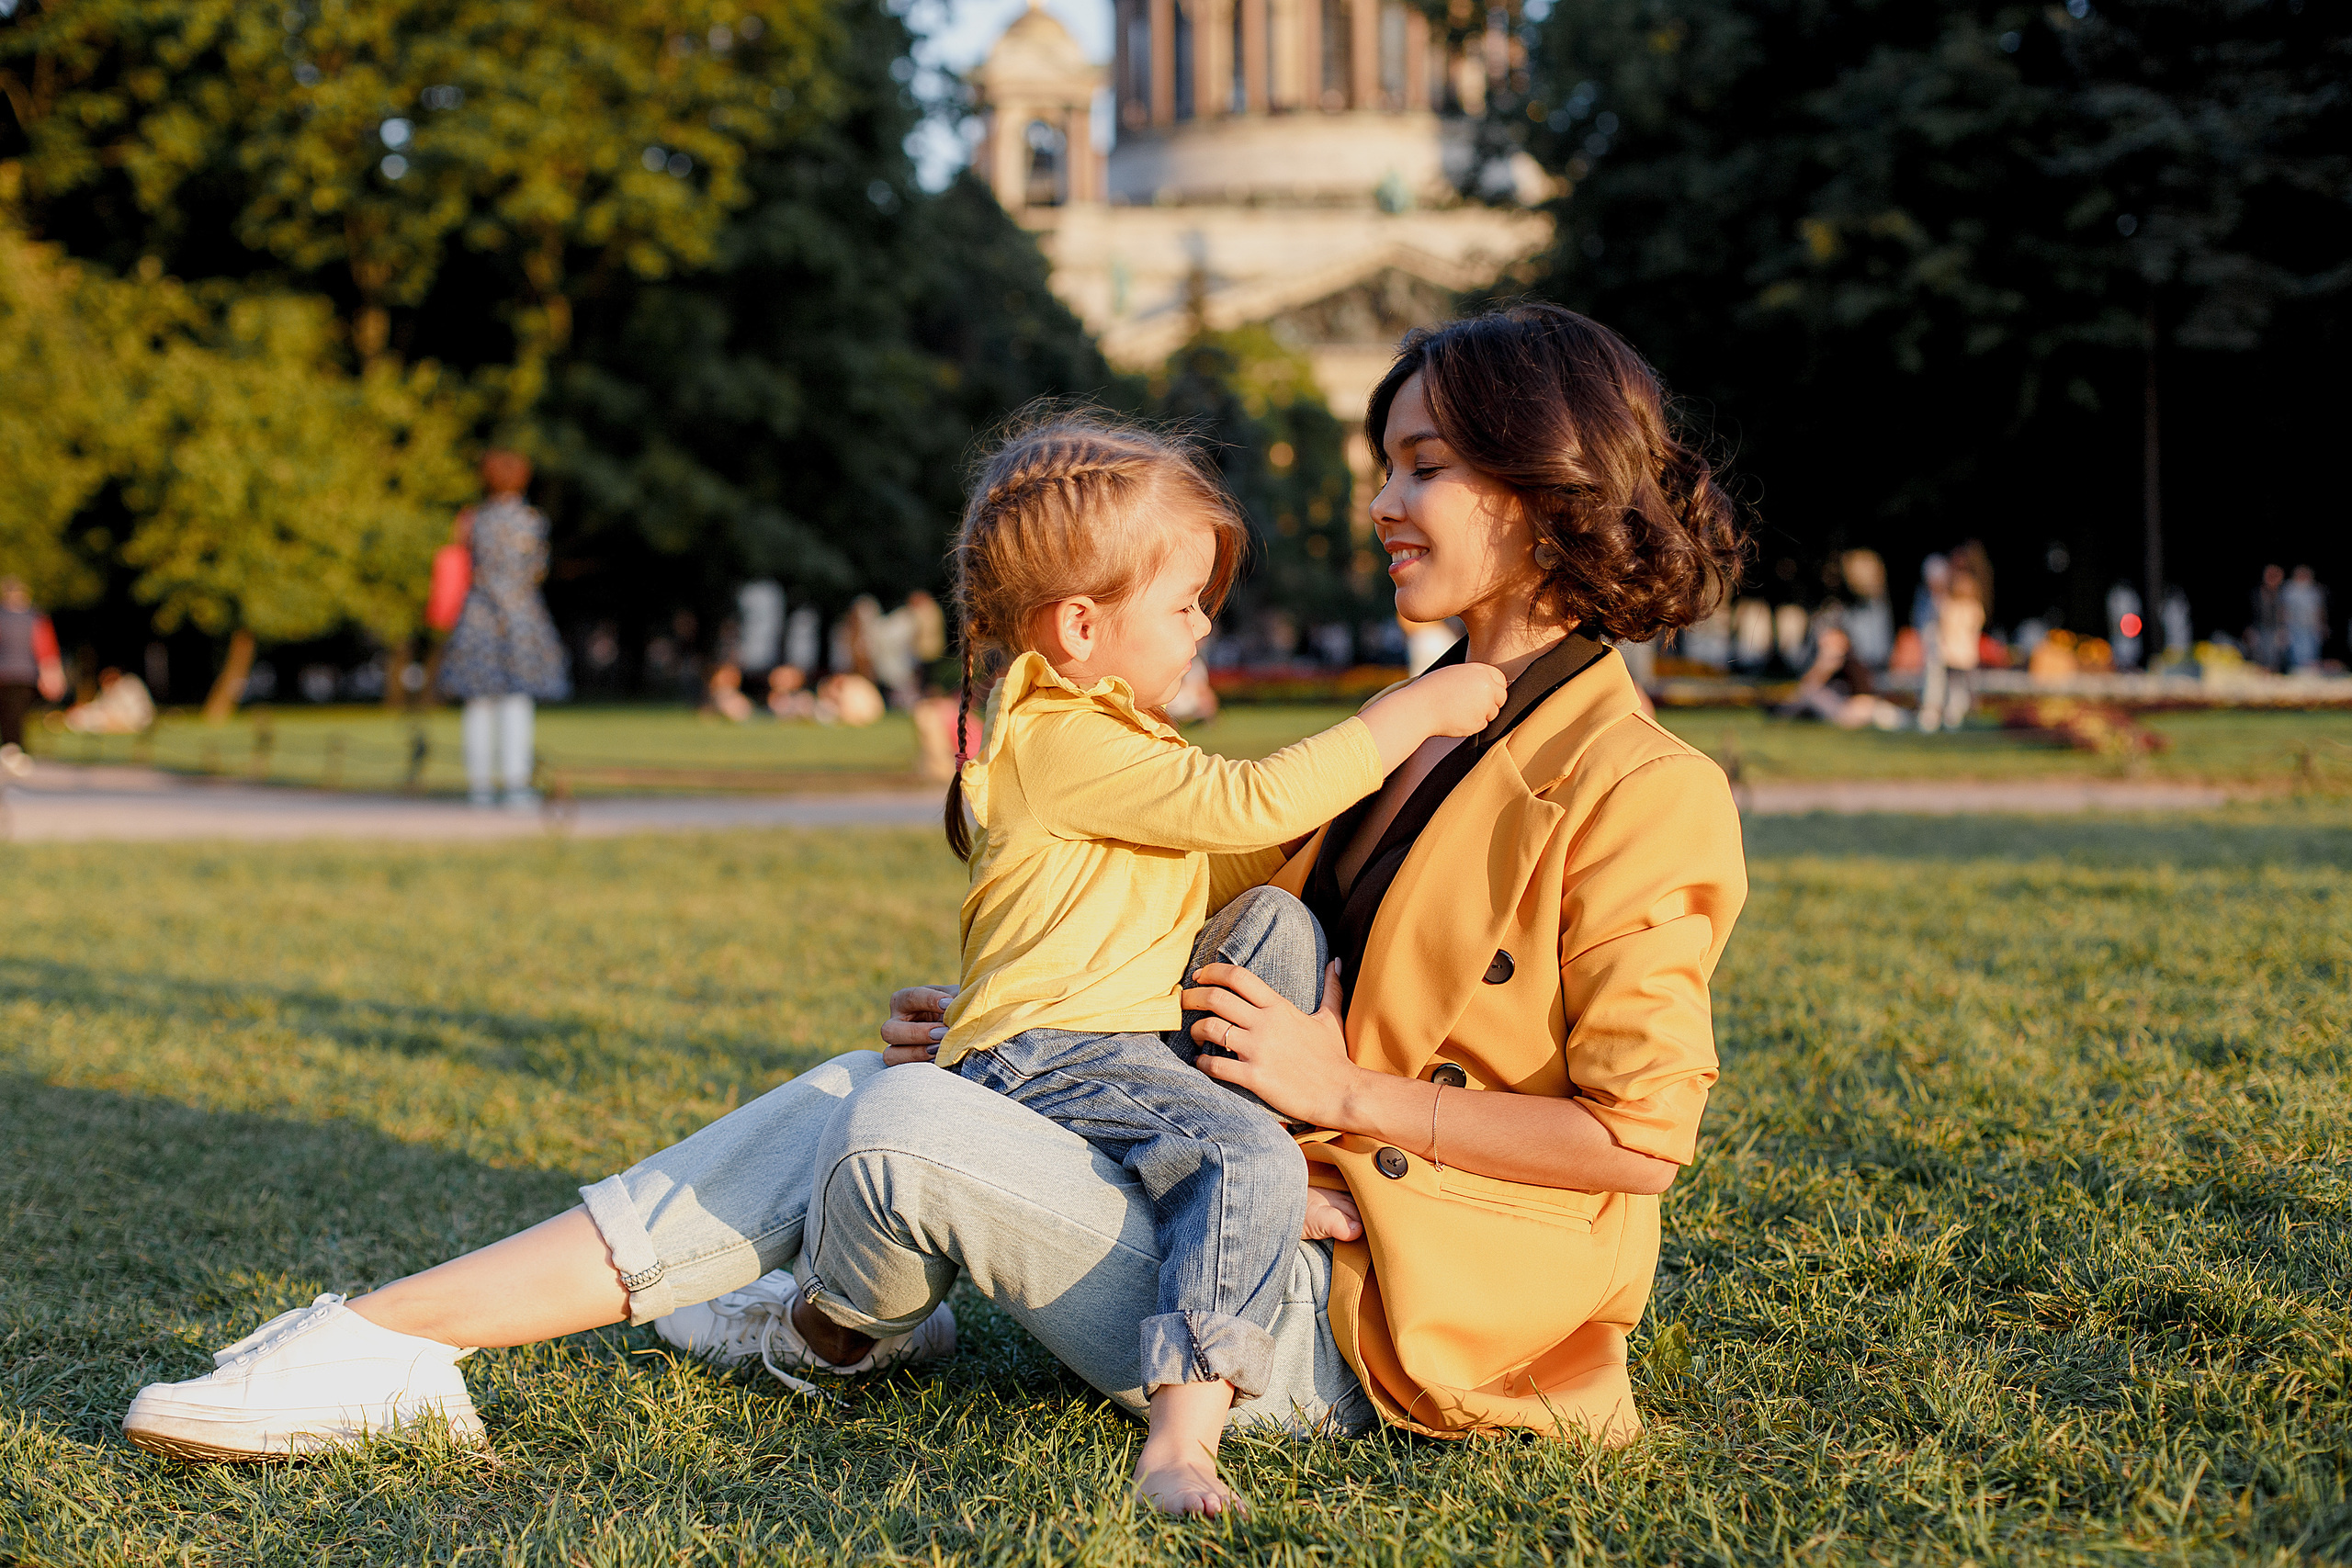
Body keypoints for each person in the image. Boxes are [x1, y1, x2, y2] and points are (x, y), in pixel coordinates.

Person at [120, 305, 1749, 1517]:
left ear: (1548, 485)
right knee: (886, 1088)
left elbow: (1634, 1140)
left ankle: (460, 1340)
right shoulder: (1432, 722)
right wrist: (1029, 1026)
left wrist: (1344, 1102)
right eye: (1384, 465)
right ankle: (394, 1342)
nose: (1386, 504)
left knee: (887, 1121)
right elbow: (1193, 947)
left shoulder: (1638, 783)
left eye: (1425, 467)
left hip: (1344, 1325)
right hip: (1235, 1216)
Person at [902, 416, 1504, 1511]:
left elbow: (1230, 866)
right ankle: (1183, 1434)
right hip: (1055, 1052)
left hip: (1093, 1031)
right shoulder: (1069, 738)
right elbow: (1249, 802)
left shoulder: (1104, 730)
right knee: (1241, 1154)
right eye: (1184, 604)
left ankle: (1266, 1195)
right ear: (1080, 626)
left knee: (1272, 924)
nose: (1203, 625)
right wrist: (1402, 718)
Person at [436, 451, 571, 807]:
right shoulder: (530, 521)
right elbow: (537, 569)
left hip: (478, 615)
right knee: (516, 702)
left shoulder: (473, 520)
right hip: (519, 616)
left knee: (478, 702)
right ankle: (515, 785)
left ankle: (479, 787)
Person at [0, 577, 66, 775]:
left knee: (10, 713)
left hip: (8, 673)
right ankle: (13, 749)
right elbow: (46, 648)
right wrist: (52, 673)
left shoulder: (6, 616)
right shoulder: (34, 617)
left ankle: (12, 748)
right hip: (25, 673)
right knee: (16, 713)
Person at [2282, 567, 2326, 673]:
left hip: (2311, 627)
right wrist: (2284, 627)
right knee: (2296, 652)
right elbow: (2284, 609)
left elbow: (2319, 610)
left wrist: (2321, 625)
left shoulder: (2314, 591)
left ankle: (2309, 674)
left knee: (2311, 652)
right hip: (2294, 627)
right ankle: (2297, 673)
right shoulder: (2289, 590)